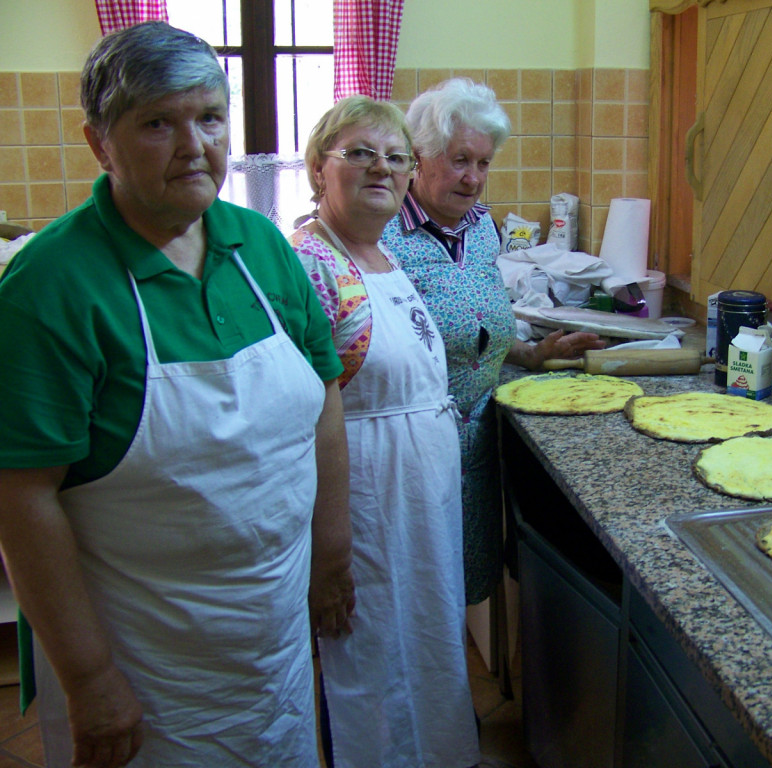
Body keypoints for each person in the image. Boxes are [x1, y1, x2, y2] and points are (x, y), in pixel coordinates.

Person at [0, 22, 354, 768]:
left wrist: (331, 552)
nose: (195, 145)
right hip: (147, 661)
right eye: (158, 123)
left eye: (210, 117)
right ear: (101, 142)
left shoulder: (261, 246)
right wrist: (91, 679)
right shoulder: (50, 288)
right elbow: (20, 497)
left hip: (271, 637)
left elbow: (323, 401)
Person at [290, 96, 479, 767]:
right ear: (319, 169)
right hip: (364, 501)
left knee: (424, 642)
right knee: (371, 658)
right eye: (361, 154)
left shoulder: (378, 254)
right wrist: (330, 550)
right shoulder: (311, 263)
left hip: (415, 504)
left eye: (396, 158)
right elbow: (306, 419)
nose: (383, 168)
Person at [381, 78, 604, 605]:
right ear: (420, 157)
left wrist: (533, 353)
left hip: (474, 453)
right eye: (461, 160)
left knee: (456, 598)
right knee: (404, 607)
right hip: (407, 461)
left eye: (484, 163)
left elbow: (477, 335)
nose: (474, 178)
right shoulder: (382, 233)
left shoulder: (482, 227)